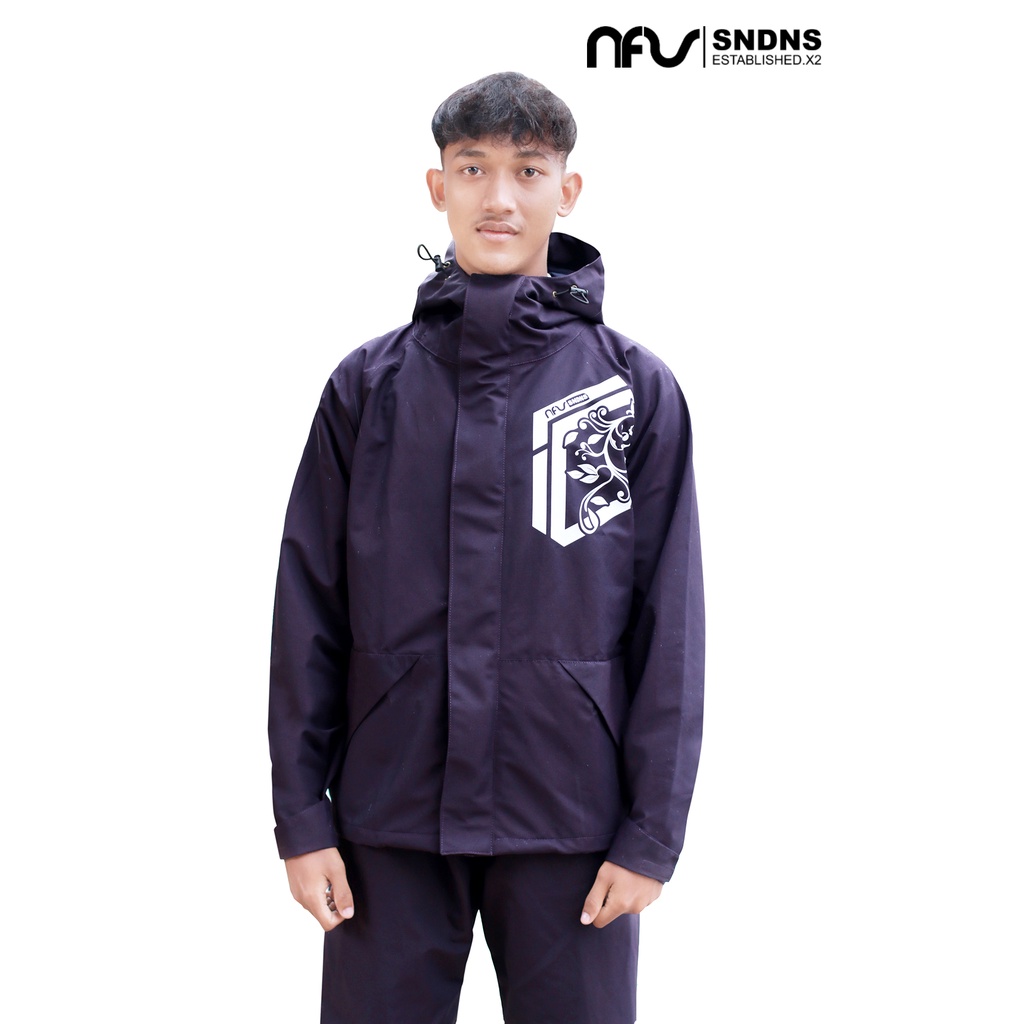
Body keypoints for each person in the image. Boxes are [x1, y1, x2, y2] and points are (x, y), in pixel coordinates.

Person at [269, 71, 705, 1024]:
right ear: (439, 187)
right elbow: (309, 610)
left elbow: (669, 624)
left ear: (567, 190)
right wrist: (302, 817)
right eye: (473, 169)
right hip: (388, 817)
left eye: (528, 170)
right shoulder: (367, 388)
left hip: (571, 822)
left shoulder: (630, 390)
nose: (499, 196)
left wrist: (651, 836)